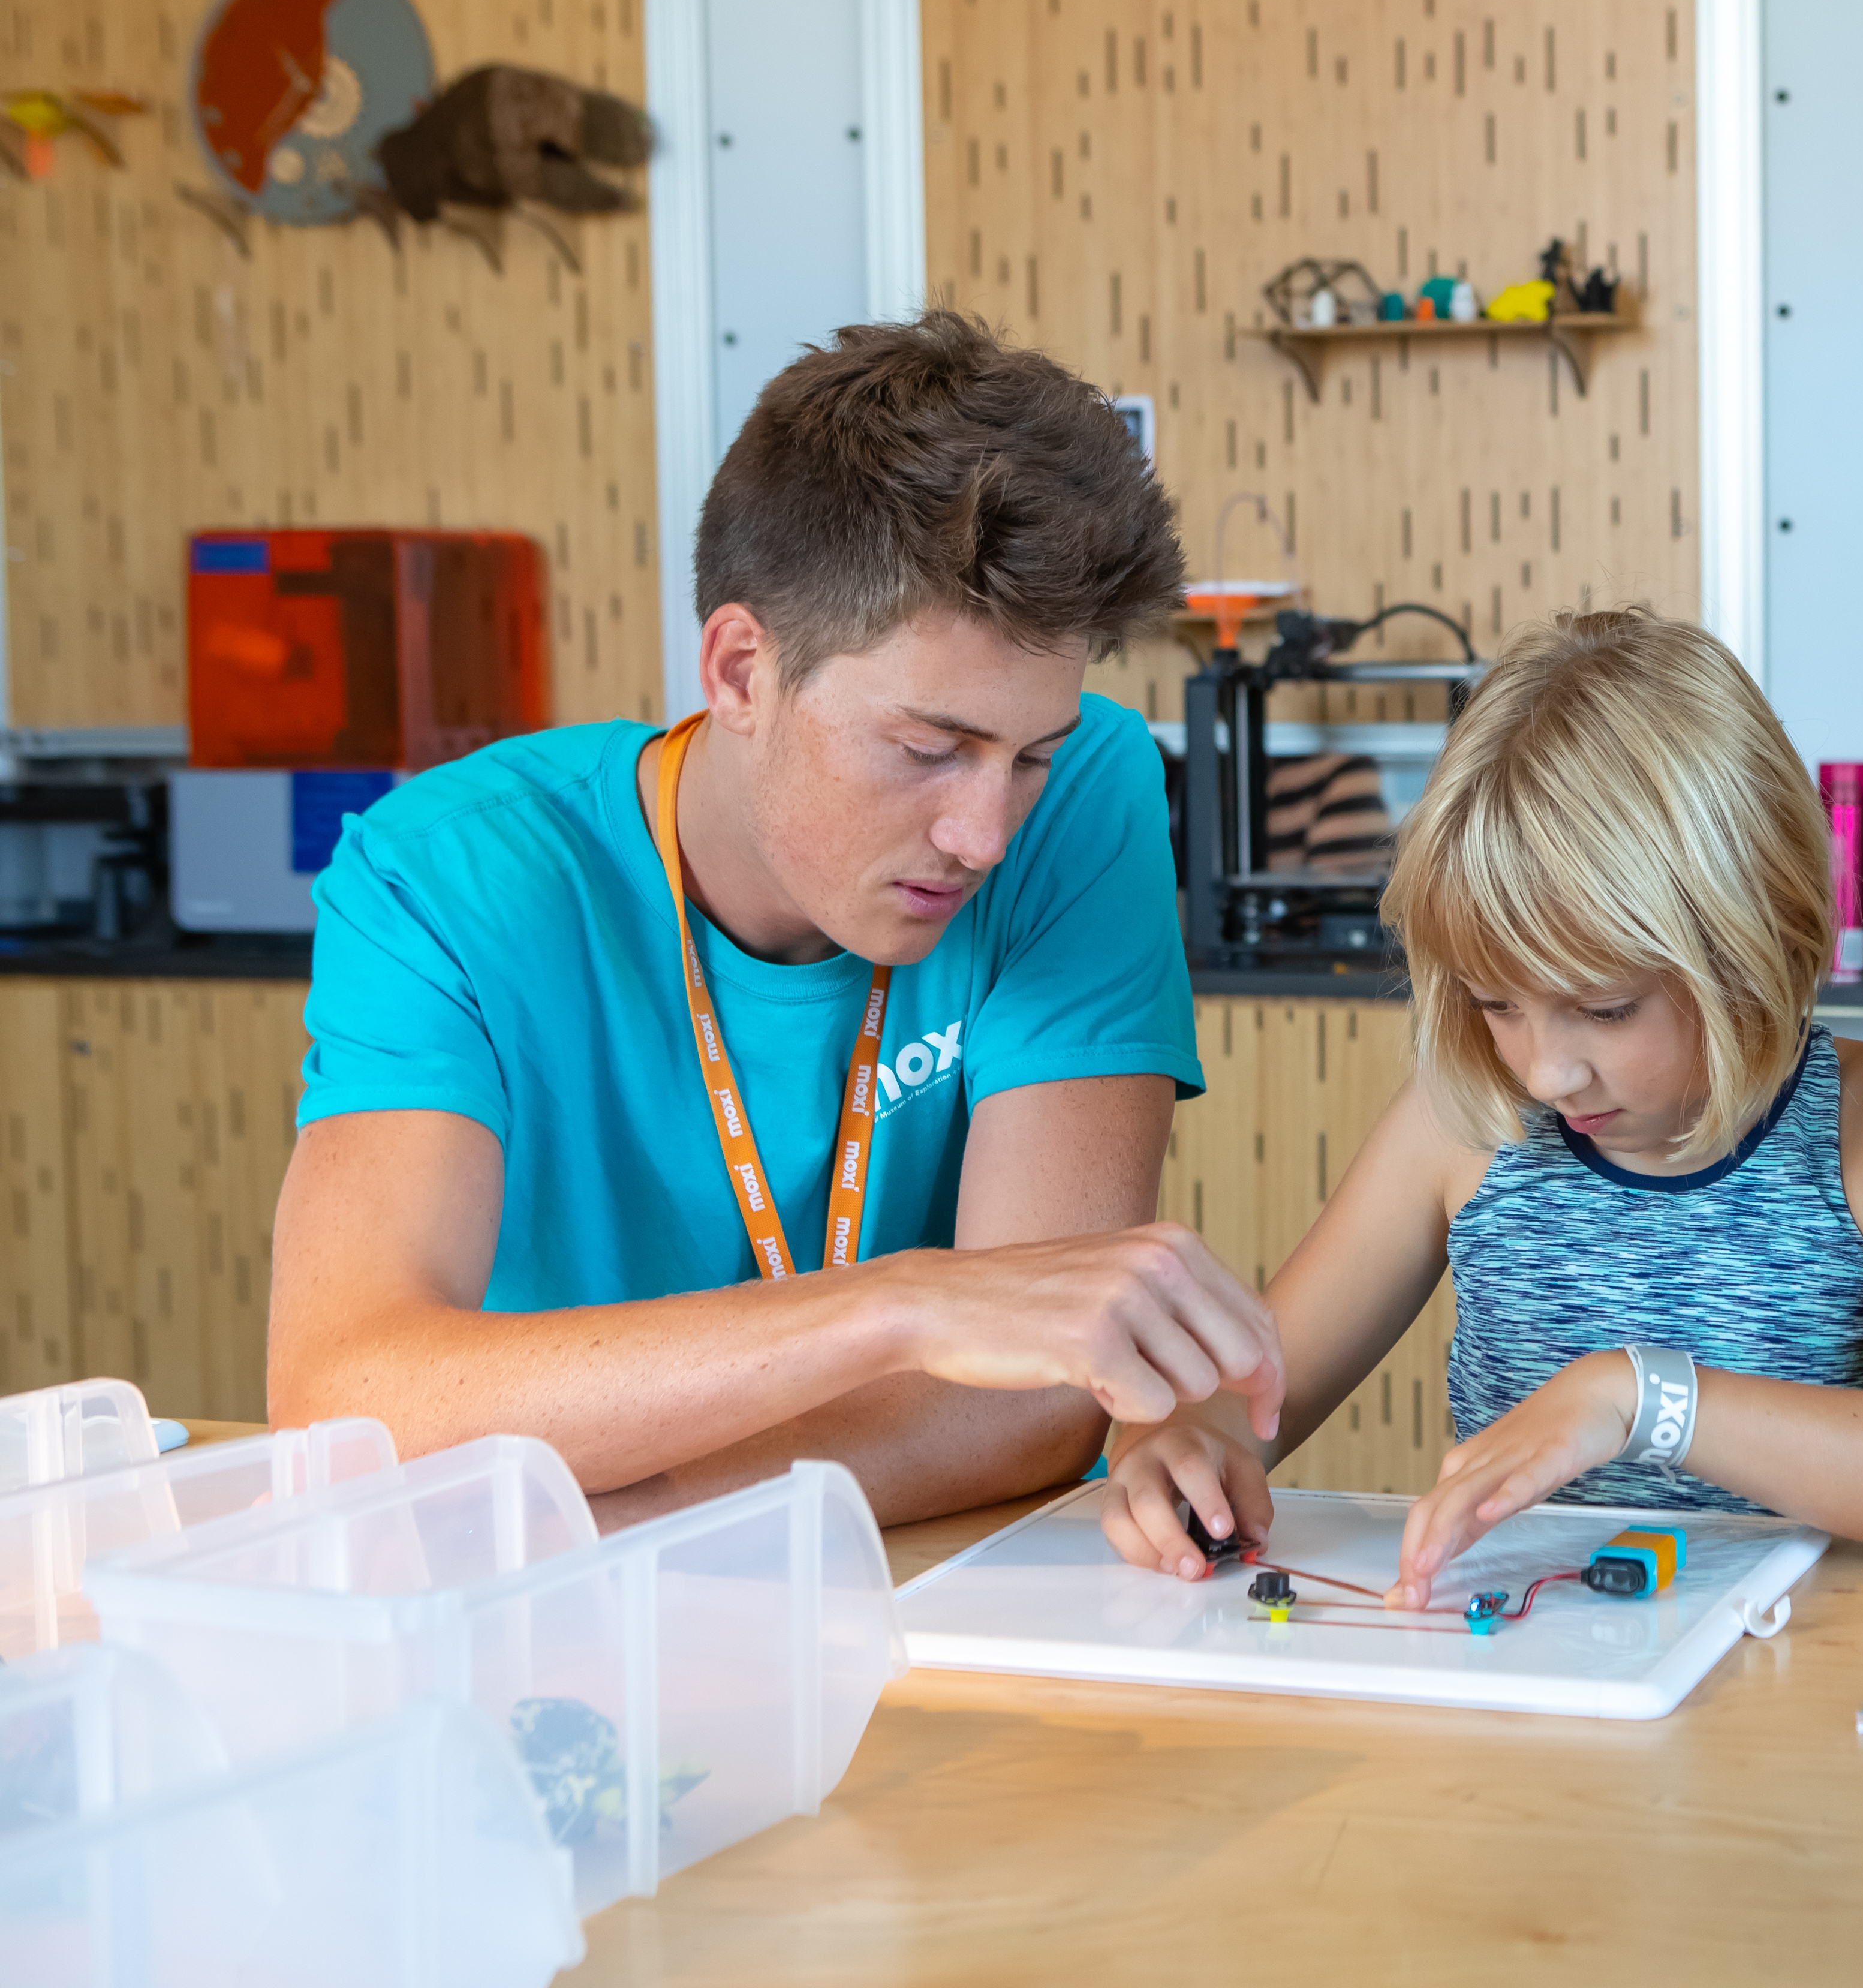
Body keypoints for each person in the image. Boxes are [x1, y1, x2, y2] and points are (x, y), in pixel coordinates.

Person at [266, 312, 1284, 1527]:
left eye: (1029, 757)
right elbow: (343, 1409)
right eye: (925, 749)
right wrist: (902, 1308)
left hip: (666, 1559)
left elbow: (1034, 1401)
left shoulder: (1087, 789)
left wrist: (612, 1521)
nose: (986, 835)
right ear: (741, 671)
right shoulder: (442, 872)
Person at [1094, 608, 1863, 1602]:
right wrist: (1180, 1447)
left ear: (1755, 936)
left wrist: (1640, 1398)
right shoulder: (1459, 1126)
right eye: (1498, 1004)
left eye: (1606, 1008)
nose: (1546, 1075)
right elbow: (1243, 1409)